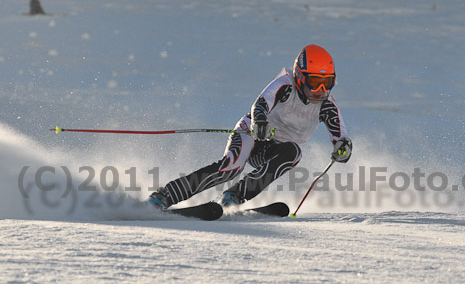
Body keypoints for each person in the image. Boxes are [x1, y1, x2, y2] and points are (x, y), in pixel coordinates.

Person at [149, 44, 352, 209]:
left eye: (326, 83)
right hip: (253, 134)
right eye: (314, 82)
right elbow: (261, 103)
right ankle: (165, 197)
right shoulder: (285, 85)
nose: (320, 90)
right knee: (231, 168)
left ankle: (234, 197)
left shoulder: (326, 105)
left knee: (294, 153)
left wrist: (342, 148)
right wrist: (260, 122)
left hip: (273, 151)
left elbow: (341, 137)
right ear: (299, 76)